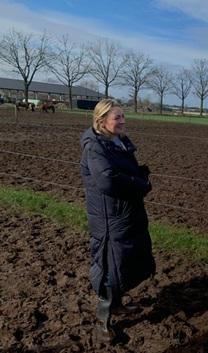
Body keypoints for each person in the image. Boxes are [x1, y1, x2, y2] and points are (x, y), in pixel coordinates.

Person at [80, 99, 155, 341]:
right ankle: (103, 322)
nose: (122, 121)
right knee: (110, 265)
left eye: (123, 116)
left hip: (124, 213)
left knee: (124, 260)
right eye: (117, 117)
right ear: (101, 121)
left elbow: (122, 171)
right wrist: (139, 184)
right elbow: (108, 181)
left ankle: (118, 304)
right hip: (108, 217)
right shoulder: (94, 147)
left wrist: (138, 174)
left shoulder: (117, 141)